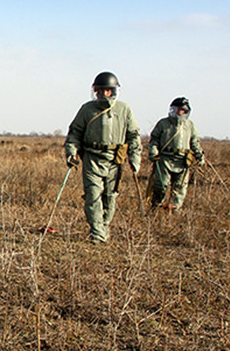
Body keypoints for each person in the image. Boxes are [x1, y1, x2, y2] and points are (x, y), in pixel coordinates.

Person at [64, 71, 142, 243]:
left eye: (107, 90)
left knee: (109, 197)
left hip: (115, 160)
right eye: (99, 90)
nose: (103, 94)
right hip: (92, 158)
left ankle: (104, 226)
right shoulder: (87, 109)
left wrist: (135, 159)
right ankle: (97, 232)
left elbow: (133, 136)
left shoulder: (124, 110)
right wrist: (71, 152)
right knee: (92, 196)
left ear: (113, 91)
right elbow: (75, 133)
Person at [147, 97, 204, 210]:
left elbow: (195, 143)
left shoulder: (189, 125)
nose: (179, 112)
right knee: (161, 185)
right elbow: (154, 139)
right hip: (165, 159)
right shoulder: (163, 123)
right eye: (177, 109)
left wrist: (199, 155)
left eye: (183, 110)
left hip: (182, 161)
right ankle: (156, 207)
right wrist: (153, 151)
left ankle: (174, 209)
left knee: (179, 188)